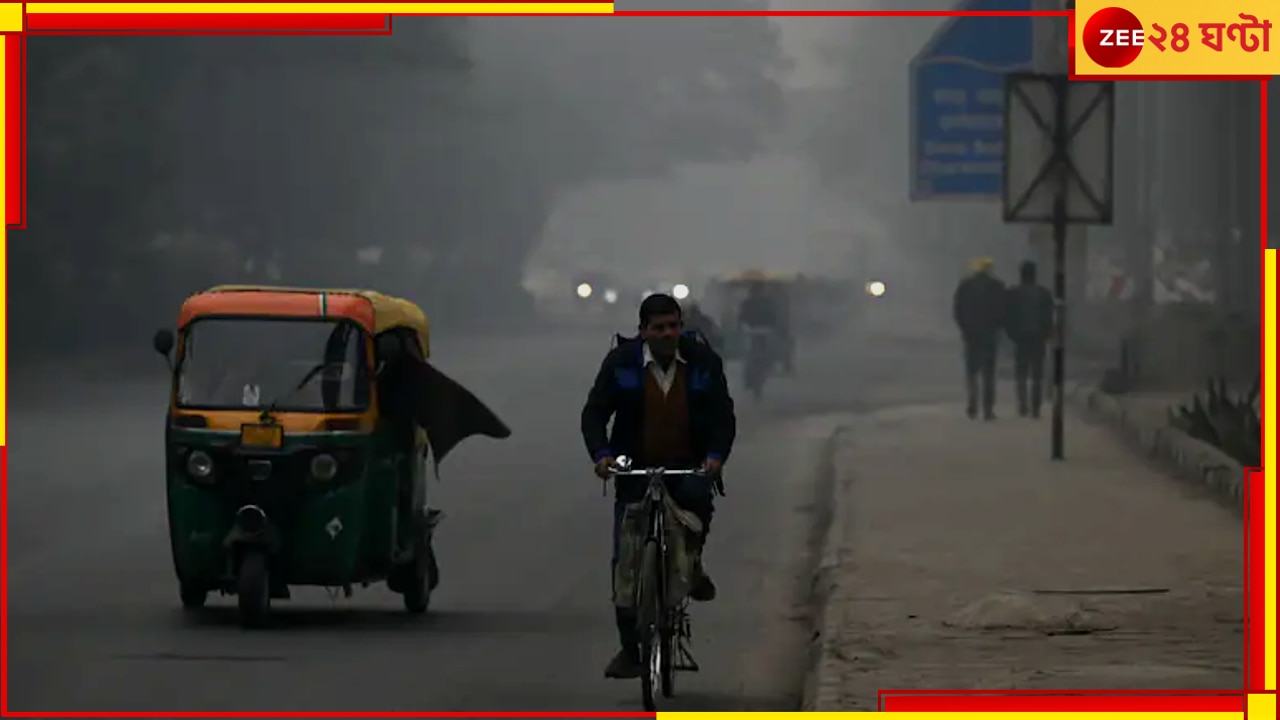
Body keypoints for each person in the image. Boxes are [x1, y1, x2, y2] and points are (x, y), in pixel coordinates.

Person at [581, 293, 737, 679]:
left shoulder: (702, 361)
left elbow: (723, 415)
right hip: (633, 468)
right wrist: (601, 455)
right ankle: (630, 649)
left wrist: (715, 456)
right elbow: (595, 412)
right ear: (643, 330)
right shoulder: (621, 363)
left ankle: (693, 567)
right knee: (626, 562)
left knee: (696, 519)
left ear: (681, 326)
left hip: (688, 466)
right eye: (658, 327)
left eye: (673, 326)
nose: (667, 334)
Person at [952, 257, 1007, 420]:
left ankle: (972, 405)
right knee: (988, 373)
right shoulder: (997, 286)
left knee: (972, 372)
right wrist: (998, 328)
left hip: (971, 334)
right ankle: (988, 409)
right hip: (990, 334)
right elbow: (1003, 310)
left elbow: (958, 310)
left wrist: (964, 328)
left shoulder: (965, 286)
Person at [1005, 260, 1055, 418]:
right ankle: (1035, 407)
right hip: (1038, 337)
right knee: (1037, 374)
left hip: (1020, 337)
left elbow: (1008, 316)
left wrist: (1012, 334)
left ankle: (1023, 404)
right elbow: (1049, 317)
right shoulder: (1044, 294)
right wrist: (1047, 334)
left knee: (1021, 372)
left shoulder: (1013, 293)